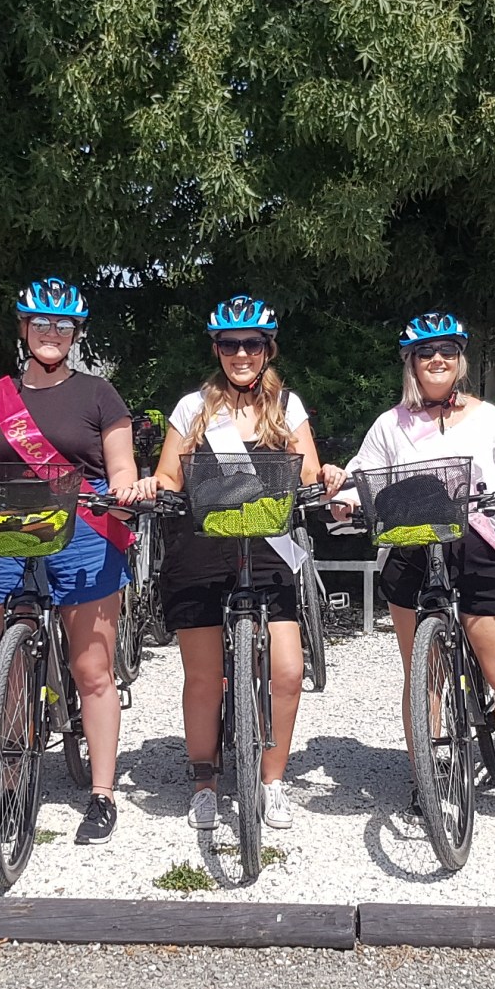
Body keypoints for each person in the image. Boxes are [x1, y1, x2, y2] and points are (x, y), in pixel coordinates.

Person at [0, 278, 156, 845]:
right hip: (13, 527)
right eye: (41, 324)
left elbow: (119, 466)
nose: (51, 333)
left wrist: (126, 489)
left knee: (92, 671)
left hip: (86, 527)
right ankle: (14, 771)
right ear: (23, 329)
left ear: (75, 334)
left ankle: (102, 793)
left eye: (62, 325)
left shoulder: (98, 393)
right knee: (13, 669)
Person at [335, 312, 495, 832]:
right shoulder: (390, 423)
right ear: (411, 362)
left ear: (461, 361)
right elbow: (362, 476)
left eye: (448, 351)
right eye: (427, 352)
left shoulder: (488, 418)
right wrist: (345, 499)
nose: (438, 360)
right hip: (413, 548)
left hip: (478, 546)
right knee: (422, 675)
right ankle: (427, 778)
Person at [150, 296, 345, 834]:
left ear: (267, 349)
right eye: (231, 344)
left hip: (268, 548)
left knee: (285, 669)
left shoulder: (288, 406)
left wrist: (324, 474)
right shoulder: (194, 408)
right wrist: (153, 486)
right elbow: (169, 477)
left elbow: (305, 473)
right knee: (205, 677)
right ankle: (204, 782)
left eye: (251, 344)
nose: (241, 353)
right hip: (203, 547)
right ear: (217, 350)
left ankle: (271, 781)